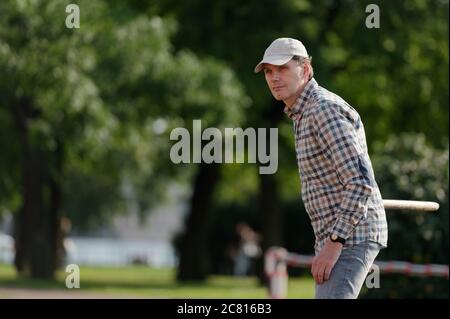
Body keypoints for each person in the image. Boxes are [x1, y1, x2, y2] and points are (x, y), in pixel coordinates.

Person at [254, 38, 388, 299]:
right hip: (336, 237)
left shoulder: (323, 109)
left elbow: (360, 182)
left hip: (351, 236)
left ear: (305, 70)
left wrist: (334, 243)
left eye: (282, 68)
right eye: (269, 71)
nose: (274, 77)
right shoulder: (301, 113)